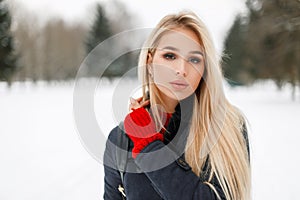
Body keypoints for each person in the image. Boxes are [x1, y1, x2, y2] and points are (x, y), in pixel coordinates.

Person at [103, 11, 251, 200]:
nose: (182, 70)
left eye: (194, 59)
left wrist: (148, 147)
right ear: (150, 62)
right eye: (170, 56)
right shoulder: (120, 139)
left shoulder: (227, 126)